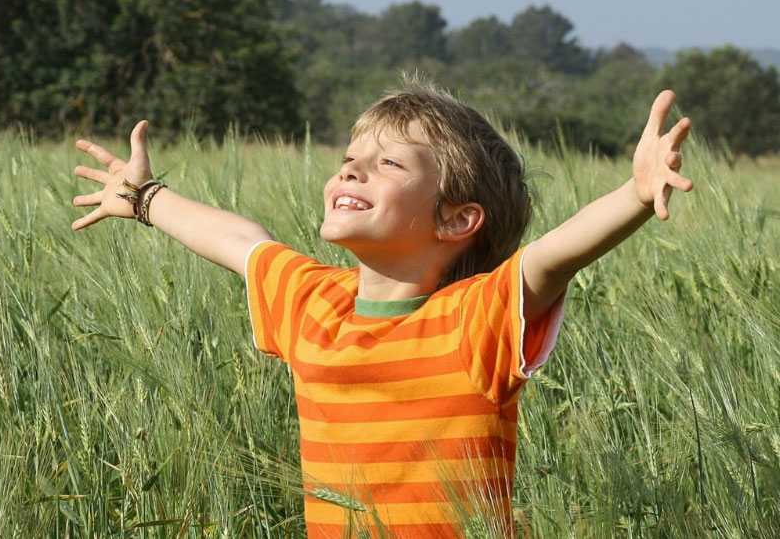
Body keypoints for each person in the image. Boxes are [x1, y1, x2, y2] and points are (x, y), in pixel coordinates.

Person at [70, 78, 693, 538]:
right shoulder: (314, 303)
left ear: (457, 219)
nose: (350, 174)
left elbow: (551, 259)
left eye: (386, 165)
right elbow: (241, 243)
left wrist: (634, 196)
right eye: (348, 163)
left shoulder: (473, 321)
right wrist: (145, 198)